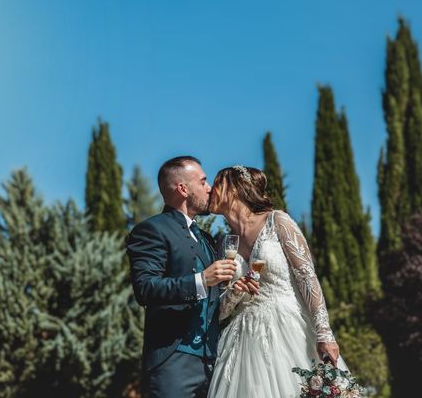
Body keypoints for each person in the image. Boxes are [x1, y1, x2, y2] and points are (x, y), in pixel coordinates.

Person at [207, 165, 345, 398]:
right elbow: (220, 312)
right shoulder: (223, 243)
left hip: (289, 328)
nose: (210, 190)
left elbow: (307, 278)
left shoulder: (278, 222)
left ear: (235, 190)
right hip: (242, 342)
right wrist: (235, 292)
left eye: (218, 184)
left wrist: (324, 332)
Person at [126, 156, 237, 397]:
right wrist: (201, 280)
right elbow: (145, 288)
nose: (210, 188)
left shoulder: (207, 239)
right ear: (183, 189)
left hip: (215, 363)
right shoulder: (151, 230)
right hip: (173, 363)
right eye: (203, 181)